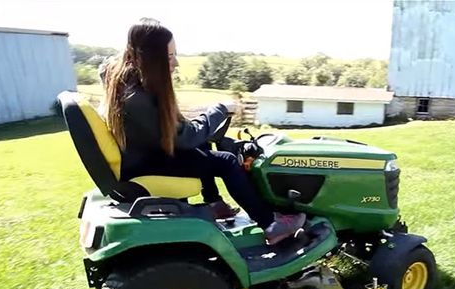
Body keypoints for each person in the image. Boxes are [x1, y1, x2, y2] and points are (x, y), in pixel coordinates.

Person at [102, 18, 305, 245]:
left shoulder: (126, 81)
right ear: (149, 57)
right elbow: (185, 137)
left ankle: (213, 203)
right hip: (144, 164)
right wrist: (219, 110)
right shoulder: (137, 98)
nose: (176, 63)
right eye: (169, 56)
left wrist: (203, 121)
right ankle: (271, 224)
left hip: (140, 155)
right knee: (227, 161)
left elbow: (180, 132)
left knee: (204, 143)